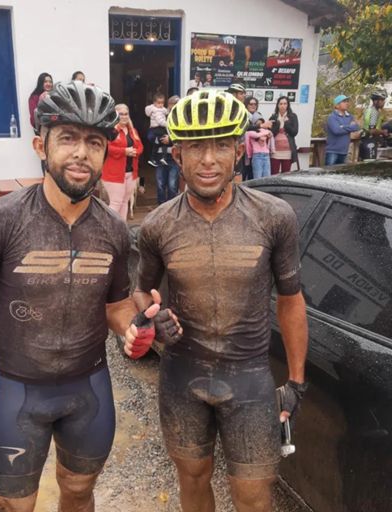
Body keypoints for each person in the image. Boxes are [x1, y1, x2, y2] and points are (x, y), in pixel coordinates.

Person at [0, 80, 163, 512]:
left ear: (106, 152)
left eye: (94, 142)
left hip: (89, 391)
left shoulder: (114, 229)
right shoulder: (0, 220)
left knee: (79, 492)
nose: (81, 153)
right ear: (40, 146)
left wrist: (133, 329)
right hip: (19, 392)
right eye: (67, 138)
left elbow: (116, 305)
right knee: (11, 504)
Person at [128, 89, 308, 512]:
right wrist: (153, 317)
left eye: (221, 145)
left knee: (254, 496)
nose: (208, 160)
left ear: (239, 152)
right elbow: (141, 291)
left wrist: (297, 382)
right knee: (192, 479)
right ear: (178, 156)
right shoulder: (157, 225)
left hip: (250, 377)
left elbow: (291, 300)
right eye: (195, 147)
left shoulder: (274, 217)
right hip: (182, 377)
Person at [101, 103, 143, 220]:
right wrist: (124, 151)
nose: (124, 117)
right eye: (121, 114)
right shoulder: (111, 131)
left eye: (126, 114)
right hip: (114, 173)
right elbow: (106, 147)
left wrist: (135, 152)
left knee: (125, 202)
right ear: (115, 116)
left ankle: (122, 227)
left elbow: (140, 146)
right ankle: (109, 228)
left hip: (131, 172)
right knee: (116, 202)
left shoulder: (132, 130)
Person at [154, 95, 180, 204]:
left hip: (175, 158)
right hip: (161, 156)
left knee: (172, 185)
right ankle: (161, 208)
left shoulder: (183, 121)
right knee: (160, 184)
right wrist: (160, 139)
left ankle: (171, 207)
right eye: (171, 107)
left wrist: (170, 140)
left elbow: (185, 139)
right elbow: (152, 136)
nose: (173, 109)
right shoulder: (161, 118)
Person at [325, 95, 360, 165]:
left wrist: (342, 127)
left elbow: (357, 127)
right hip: (333, 151)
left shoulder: (350, 116)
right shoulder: (332, 117)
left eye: (347, 101)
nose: (347, 103)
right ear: (337, 105)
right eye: (344, 101)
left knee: (341, 171)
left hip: (344, 151)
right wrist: (350, 127)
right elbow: (336, 131)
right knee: (329, 171)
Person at [269, 96, 298, 174]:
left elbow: (294, 132)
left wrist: (286, 123)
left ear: (288, 105)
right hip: (275, 151)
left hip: (287, 151)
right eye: (281, 104)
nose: (283, 106)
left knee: (286, 174)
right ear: (278, 105)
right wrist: (278, 124)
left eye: (285, 104)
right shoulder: (273, 117)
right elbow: (270, 132)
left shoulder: (293, 116)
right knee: (274, 174)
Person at [360, 90, 389, 160]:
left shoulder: (369, 110)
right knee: (370, 163)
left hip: (365, 140)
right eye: (382, 100)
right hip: (369, 141)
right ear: (375, 101)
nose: (384, 102)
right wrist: (383, 132)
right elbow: (372, 130)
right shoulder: (374, 112)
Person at [145, 93, 168, 167]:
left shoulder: (161, 109)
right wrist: (168, 124)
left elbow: (166, 111)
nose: (161, 105)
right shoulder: (156, 111)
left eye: (162, 103)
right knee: (164, 140)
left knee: (157, 144)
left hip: (157, 129)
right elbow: (160, 121)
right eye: (159, 103)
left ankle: (153, 158)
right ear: (154, 103)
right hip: (157, 128)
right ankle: (163, 157)